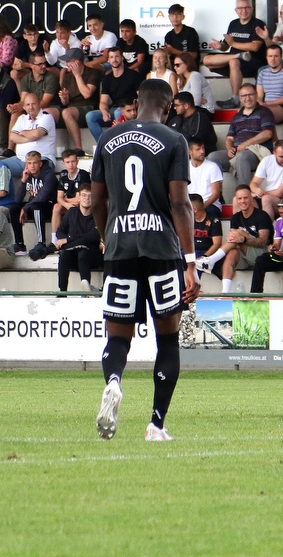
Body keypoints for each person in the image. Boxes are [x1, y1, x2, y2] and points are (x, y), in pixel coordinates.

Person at [90, 78, 197, 442]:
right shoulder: (173, 140)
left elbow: (97, 201)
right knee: (167, 341)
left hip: (120, 248)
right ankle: (156, 425)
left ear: (137, 101)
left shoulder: (106, 139)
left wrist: (108, 238)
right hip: (162, 250)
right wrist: (191, 263)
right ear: (167, 108)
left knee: (118, 337)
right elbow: (180, 203)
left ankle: (114, 382)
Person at [196, 185, 273, 292]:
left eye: (245, 198)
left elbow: (263, 241)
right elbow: (231, 238)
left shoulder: (262, 216)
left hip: (261, 255)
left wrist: (243, 238)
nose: (242, 201)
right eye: (239, 198)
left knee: (238, 233)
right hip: (243, 255)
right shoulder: (236, 217)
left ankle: (212, 259)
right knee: (232, 252)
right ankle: (225, 292)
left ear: (251, 198)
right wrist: (239, 238)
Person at [205, 0, 268, 110]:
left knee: (234, 62)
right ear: (236, 10)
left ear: (252, 9)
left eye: (246, 8)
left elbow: (255, 46)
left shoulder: (257, 24)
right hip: (235, 61)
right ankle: (238, 55)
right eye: (240, 8)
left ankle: (235, 99)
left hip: (252, 62)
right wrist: (220, 46)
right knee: (207, 60)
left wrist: (233, 43)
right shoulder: (233, 24)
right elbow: (226, 46)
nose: (243, 11)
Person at [207, 84, 275, 187]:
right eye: (244, 95)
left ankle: (243, 193)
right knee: (213, 157)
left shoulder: (265, 112)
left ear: (256, 95)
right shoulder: (236, 116)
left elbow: (268, 133)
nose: (248, 98)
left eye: (250, 94)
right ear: (240, 98)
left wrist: (246, 144)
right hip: (238, 151)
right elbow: (229, 138)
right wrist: (229, 148)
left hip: (256, 152)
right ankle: (218, 195)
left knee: (242, 157)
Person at [55, 182, 102, 292]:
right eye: (84, 195)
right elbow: (60, 231)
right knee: (64, 254)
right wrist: (64, 239)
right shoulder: (72, 212)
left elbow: (93, 237)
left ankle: (86, 290)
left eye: (90, 196)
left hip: (93, 255)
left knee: (83, 252)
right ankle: (62, 291)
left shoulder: (98, 215)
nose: (87, 198)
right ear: (79, 198)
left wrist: (68, 240)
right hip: (73, 255)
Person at [86, 48, 140, 143]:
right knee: (90, 116)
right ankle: (103, 144)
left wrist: (134, 108)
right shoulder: (107, 79)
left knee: (118, 112)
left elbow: (141, 97)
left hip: (130, 109)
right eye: (111, 57)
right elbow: (103, 101)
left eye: (117, 56)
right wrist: (103, 111)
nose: (114, 59)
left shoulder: (133, 75)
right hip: (115, 109)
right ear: (108, 60)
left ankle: (120, 143)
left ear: (122, 58)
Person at [9, 150, 56, 258]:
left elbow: (42, 197)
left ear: (40, 163)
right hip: (33, 206)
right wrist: (23, 180)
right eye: (29, 163)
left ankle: (41, 243)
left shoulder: (49, 175)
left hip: (49, 206)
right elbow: (18, 199)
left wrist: (25, 208)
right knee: (15, 208)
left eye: (35, 163)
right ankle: (20, 244)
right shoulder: (28, 175)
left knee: (35, 206)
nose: (32, 166)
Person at [57, 48, 101, 152]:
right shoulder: (67, 76)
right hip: (72, 108)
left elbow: (87, 94)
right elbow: (65, 103)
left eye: (69, 61)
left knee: (66, 112)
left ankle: (78, 148)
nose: (67, 64)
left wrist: (77, 75)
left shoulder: (92, 73)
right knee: (61, 111)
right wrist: (64, 98)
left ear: (77, 62)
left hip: (88, 107)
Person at [250, 140, 283, 219]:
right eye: (281, 156)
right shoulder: (266, 161)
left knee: (266, 199)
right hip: (268, 196)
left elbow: (279, 193)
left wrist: (260, 194)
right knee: (241, 199)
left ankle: (267, 229)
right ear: (274, 153)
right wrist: (256, 190)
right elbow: (254, 183)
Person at [52, 148, 91, 248]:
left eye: (73, 161)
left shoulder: (83, 174)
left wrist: (65, 199)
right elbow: (59, 198)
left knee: (75, 205)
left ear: (77, 161)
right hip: (69, 206)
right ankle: (54, 240)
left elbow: (79, 199)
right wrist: (66, 204)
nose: (71, 165)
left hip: (80, 206)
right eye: (68, 162)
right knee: (57, 207)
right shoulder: (63, 174)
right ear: (63, 163)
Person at [255, 45, 283, 124]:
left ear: (281, 57)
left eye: (276, 56)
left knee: (264, 113)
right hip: (266, 106)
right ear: (266, 57)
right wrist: (260, 103)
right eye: (270, 56)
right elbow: (259, 96)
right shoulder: (262, 73)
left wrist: (266, 104)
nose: (273, 59)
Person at [187, 138, 223, 219]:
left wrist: (202, 207)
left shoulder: (212, 167)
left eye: (203, 148)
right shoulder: (185, 168)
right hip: (191, 205)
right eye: (198, 149)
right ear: (190, 152)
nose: (202, 151)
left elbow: (216, 193)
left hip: (210, 205)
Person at [189, 193, 223, 277]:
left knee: (198, 261)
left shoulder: (213, 220)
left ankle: (194, 287)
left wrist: (204, 256)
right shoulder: (187, 220)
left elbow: (217, 244)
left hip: (206, 253)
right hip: (190, 253)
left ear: (195, 209)